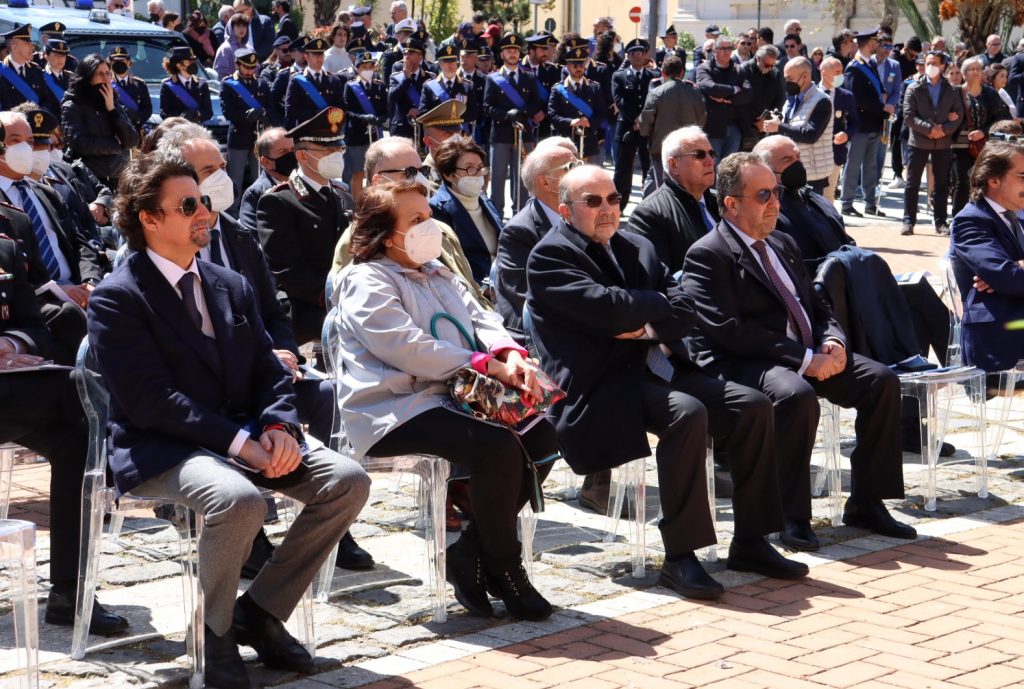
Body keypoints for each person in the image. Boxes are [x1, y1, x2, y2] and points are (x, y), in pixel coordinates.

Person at [88, 151, 370, 688]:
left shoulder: (228, 283)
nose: (206, 214)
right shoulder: (118, 297)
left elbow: (268, 369)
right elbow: (152, 401)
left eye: (207, 202)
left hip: (243, 434)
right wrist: (243, 444)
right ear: (149, 218)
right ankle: (213, 635)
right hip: (162, 447)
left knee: (347, 480)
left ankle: (258, 613)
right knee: (239, 500)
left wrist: (281, 427)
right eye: (188, 205)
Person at [528, 164, 808, 595]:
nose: (607, 210)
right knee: (686, 413)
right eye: (593, 201)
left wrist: (645, 321)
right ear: (565, 210)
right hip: (600, 385)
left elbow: (684, 309)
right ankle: (681, 556)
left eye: (614, 199)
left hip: (655, 369)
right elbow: (605, 308)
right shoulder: (550, 255)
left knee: (751, 405)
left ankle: (752, 540)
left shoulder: (637, 247)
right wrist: (653, 310)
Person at [336, 178, 556, 620]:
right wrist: (485, 365)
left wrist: (508, 353)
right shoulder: (365, 280)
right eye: (415, 220)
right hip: (394, 408)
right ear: (384, 232)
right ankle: (506, 567)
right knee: (496, 447)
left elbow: (482, 316)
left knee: (543, 436)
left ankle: (471, 552)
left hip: (456, 395)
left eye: (429, 216)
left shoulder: (437, 270)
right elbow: (405, 346)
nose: (429, 226)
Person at [682, 152, 917, 550]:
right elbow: (730, 331)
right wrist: (806, 360)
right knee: (796, 395)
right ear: (731, 204)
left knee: (880, 380)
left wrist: (833, 340)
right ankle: (790, 516)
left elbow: (816, 302)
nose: (775, 202)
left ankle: (867, 501)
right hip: (750, 361)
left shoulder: (782, 242)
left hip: (809, 351)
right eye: (763, 195)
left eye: (774, 192)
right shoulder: (708, 254)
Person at [330, 136, 482, 307]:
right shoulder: (358, 239)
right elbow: (351, 305)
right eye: (409, 172)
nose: (420, 180)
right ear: (379, 181)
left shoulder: (442, 230)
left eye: (422, 171)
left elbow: (473, 292)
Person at [257, 107, 353, 345]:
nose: (336, 155)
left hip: (350, 301)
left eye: (338, 148)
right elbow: (288, 271)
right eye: (327, 150)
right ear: (302, 156)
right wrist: (334, 297)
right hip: (309, 312)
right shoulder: (278, 201)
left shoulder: (343, 195)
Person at [950, 140, 1024, 372]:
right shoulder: (971, 221)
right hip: (1001, 334)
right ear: (993, 180)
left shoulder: (1016, 216)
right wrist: (1013, 270)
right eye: (1022, 177)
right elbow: (1008, 277)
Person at [494, 143, 578, 331]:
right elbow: (527, 296)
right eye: (570, 168)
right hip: (543, 332)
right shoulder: (518, 232)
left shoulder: (582, 214)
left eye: (579, 164)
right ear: (545, 182)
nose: (580, 172)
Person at [628, 126, 719, 276]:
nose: (710, 161)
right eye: (699, 155)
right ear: (674, 165)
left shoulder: (720, 203)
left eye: (712, 153)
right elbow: (658, 280)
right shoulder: (649, 214)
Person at [482, 33, 545, 219]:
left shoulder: (529, 76)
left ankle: (521, 216)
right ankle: (497, 217)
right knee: (499, 179)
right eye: (508, 50)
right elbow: (486, 107)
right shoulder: (493, 78)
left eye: (515, 50)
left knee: (522, 179)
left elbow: (536, 104)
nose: (512, 53)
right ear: (502, 54)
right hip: (501, 135)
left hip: (523, 134)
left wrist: (523, 112)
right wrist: (506, 115)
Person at [901, 51, 963, 236]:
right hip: (918, 142)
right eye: (927, 62)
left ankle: (940, 222)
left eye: (934, 63)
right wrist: (930, 129)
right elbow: (908, 115)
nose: (930, 66)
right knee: (912, 184)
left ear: (943, 66)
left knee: (942, 185)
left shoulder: (951, 89)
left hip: (942, 143)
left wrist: (944, 129)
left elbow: (958, 114)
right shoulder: (914, 88)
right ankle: (908, 221)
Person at [61, 54, 140, 190]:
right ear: (88, 77)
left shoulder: (111, 101)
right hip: (88, 179)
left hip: (117, 177)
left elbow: (132, 140)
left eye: (108, 73)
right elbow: (79, 143)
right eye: (100, 74)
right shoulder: (72, 105)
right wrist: (116, 145)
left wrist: (112, 110)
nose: (105, 79)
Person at [429, 138, 501, 285]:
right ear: (449, 174)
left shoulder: (486, 201)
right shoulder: (437, 209)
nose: (478, 174)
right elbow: (446, 264)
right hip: (473, 290)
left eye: (480, 167)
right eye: (469, 168)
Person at [762, 56, 832, 193]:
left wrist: (779, 126)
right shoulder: (791, 99)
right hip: (790, 169)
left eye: (790, 79)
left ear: (805, 76)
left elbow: (811, 134)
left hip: (812, 172)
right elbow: (791, 126)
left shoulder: (822, 100)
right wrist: (778, 121)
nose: (786, 83)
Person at [638, 54, 705, 196]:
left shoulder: (656, 92)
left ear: (663, 73)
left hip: (662, 149)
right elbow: (701, 120)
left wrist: (647, 134)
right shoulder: (694, 92)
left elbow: (645, 123)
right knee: (684, 188)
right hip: (689, 149)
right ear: (682, 73)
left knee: (663, 190)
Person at [952, 56, 1011, 217]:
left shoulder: (990, 93)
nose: (976, 72)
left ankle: (980, 216)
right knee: (962, 181)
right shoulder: (956, 92)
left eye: (978, 68)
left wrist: (983, 132)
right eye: (971, 69)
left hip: (983, 144)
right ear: (964, 73)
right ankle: (958, 216)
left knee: (982, 180)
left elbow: (1000, 117)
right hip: (960, 143)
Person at [611, 39, 658, 210]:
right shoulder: (619, 76)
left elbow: (654, 101)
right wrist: (636, 119)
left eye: (641, 53)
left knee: (649, 168)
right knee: (622, 170)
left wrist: (643, 120)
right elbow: (619, 101)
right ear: (628, 56)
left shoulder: (653, 76)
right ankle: (619, 206)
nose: (637, 56)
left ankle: (649, 206)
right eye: (633, 53)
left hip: (647, 129)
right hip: (626, 128)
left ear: (646, 55)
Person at [221, 48, 269, 204]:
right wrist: (247, 115)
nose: (250, 70)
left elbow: (270, 107)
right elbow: (228, 111)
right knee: (235, 179)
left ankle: (257, 209)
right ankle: (233, 213)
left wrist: (263, 113)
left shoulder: (261, 83)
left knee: (259, 177)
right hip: (239, 136)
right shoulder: (229, 84)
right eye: (247, 67)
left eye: (252, 67)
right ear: (238, 65)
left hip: (258, 137)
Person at [548, 40, 606, 166]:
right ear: (567, 66)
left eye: (581, 65)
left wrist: (589, 122)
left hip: (589, 141)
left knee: (590, 181)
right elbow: (553, 116)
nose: (578, 68)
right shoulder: (558, 89)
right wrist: (571, 122)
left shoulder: (594, 87)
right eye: (575, 65)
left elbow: (601, 113)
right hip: (566, 142)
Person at [696, 36, 751, 166]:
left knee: (729, 169)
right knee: (712, 167)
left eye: (729, 48)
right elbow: (711, 87)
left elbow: (748, 93)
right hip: (713, 127)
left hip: (734, 127)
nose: (727, 52)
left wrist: (729, 101)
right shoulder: (705, 68)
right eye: (723, 48)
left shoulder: (738, 69)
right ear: (715, 51)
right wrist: (734, 89)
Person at [342, 46, 387, 200]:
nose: (368, 69)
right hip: (357, 136)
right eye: (364, 67)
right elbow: (347, 112)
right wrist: (364, 118)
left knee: (375, 173)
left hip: (375, 136)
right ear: (357, 68)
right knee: (358, 173)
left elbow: (385, 110)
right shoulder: (350, 87)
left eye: (370, 66)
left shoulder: (380, 86)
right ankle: (357, 207)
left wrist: (380, 119)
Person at [284, 37, 346, 129]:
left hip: (328, 131)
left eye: (321, 55)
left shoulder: (333, 80)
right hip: (306, 131)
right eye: (315, 55)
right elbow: (290, 110)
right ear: (306, 56)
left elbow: (341, 107)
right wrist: (314, 113)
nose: (319, 58)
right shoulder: (296, 80)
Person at [239, 127, 294, 231]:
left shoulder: (303, 184)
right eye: (283, 151)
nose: (291, 156)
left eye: (292, 150)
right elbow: (251, 237)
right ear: (266, 162)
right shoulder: (256, 194)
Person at [0, 24, 60, 116]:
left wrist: (40, 115)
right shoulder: (2, 72)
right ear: (14, 47)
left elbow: (46, 100)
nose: (32, 47)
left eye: (31, 43)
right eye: (27, 44)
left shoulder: (36, 70)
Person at [740, 45, 785, 152]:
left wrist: (768, 119)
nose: (769, 68)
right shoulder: (743, 70)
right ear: (757, 58)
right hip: (746, 126)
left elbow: (779, 98)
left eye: (772, 65)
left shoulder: (775, 72)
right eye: (766, 65)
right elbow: (740, 101)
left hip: (767, 125)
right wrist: (754, 123)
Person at [159, 46, 213, 124]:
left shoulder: (202, 84)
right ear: (179, 65)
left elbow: (208, 112)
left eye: (193, 61)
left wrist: (196, 114)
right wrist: (182, 117)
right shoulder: (167, 86)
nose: (193, 64)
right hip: (177, 129)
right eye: (189, 61)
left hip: (197, 129)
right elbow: (164, 113)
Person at [108, 46, 153, 138]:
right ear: (110, 63)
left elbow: (147, 108)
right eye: (115, 61)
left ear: (129, 62)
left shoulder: (139, 84)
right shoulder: (106, 84)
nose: (119, 63)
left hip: (135, 130)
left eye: (122, 60)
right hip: (113, 132)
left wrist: (137, 118)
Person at [214, 12, 251, 80]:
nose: (242, 29)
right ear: (231, 27)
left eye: (244, 26)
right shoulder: (225, 49)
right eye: (238, 25)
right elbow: (220, 75)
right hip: (231, 87)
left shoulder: (249, 49)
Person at [41, 40, 72, 105]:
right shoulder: (40, 76)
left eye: (63, 56)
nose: (60, 59)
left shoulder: (71, 77)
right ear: (46, 56)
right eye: (56, 55)